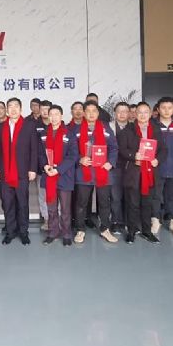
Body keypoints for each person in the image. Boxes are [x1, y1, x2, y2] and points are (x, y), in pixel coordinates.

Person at [118, 102, 167, 244]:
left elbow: (163, 149)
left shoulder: (156, 130)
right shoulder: (127, 130)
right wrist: (134, 156)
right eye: (140, 112)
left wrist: (157, 160)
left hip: (150, 172)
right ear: (135, 114)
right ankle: (131, 231)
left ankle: (147, 231)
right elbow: (122, 150)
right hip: (133, 172)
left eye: (146, 112)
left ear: (150, 113)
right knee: (132, 204)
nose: (143, 115)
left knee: (147, 204)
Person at [72, 100, 119, 244]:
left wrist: (110, 162)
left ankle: (105, 229)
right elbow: (70, 150)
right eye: (88, 111)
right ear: (83, 113)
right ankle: (80, 229)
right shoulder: (76, 130)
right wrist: (80, 159)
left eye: (94, 111)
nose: (91, 114)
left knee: (104, 202)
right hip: (83, 172)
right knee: (81, 203)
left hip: (103, 171)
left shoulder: (106, 128)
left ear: (98, 113)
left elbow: (114, 148)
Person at [0, 97, 38, 245]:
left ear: (20, 109)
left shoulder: (29, 125)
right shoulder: (0, 127)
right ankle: (10, 232)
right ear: (7, 110)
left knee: (22, 203)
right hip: (5, 171)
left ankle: (23, 232)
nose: (13, 109)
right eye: (10, 106)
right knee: (7, 203)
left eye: (16, 106)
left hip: (23, 171)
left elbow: (34, 149)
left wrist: (32, 168)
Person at [37, 105, 79, 246]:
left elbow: (73, 156)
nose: (54, 117)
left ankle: (66, 234)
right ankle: (53, 232)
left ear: (61, 116)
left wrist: (59, 169)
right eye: (51, 114)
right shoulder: (43, 134)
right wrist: (45, 166)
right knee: (51, 208)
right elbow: (40, 154)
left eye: (56, 114)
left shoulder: (69, 133)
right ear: (48, 117)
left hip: (64, 176)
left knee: (65, 209)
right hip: (49, 175)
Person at [154, 97, 173, 236]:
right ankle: (155, 221)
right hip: (157, 167)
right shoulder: (152, 125)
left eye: (169, 108)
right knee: (156, 195)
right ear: (158, 109)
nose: (166, 111)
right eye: (163, 108)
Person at [108, 101, 130, 234]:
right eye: (119, 111)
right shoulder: (108, 127)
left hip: (131, 167)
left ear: (129, 113)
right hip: (114, 166)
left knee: (130, 195)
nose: (122, 114)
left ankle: (129, 221)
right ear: (114, 113)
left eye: (125, 111)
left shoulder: (133, 128)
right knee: (115, 196)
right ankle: (116, 221)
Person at [34, 100, 52, 230]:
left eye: (47, 109)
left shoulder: (59, 125)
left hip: (57, 168)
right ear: (39, 111)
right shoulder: (34, 126)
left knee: (58, 195)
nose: (45, 112)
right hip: (41, 167)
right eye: (43, 109)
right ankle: (46, 219)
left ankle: (57, 219)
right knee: (43, 195)